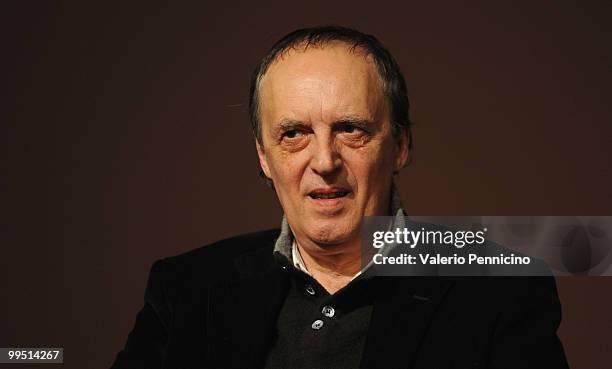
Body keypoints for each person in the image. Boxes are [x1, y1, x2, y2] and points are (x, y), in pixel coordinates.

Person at [110, 26, 569, 369]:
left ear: (401, 146)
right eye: (294, 134)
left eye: (350, 129)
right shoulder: (184, 289)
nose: (324, 160)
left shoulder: (502, 291)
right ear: (264, 157)